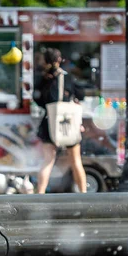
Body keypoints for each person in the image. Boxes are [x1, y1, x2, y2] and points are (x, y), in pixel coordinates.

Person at [34, 48, 86, 194]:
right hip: (68, 122)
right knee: (76, 160)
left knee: (48, 161)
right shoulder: (67, 78)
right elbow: (81, 94)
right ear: (59, 60)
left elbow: (37, 99)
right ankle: (83, 193)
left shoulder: (43, 78)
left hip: (48, 122)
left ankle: (40, 193)